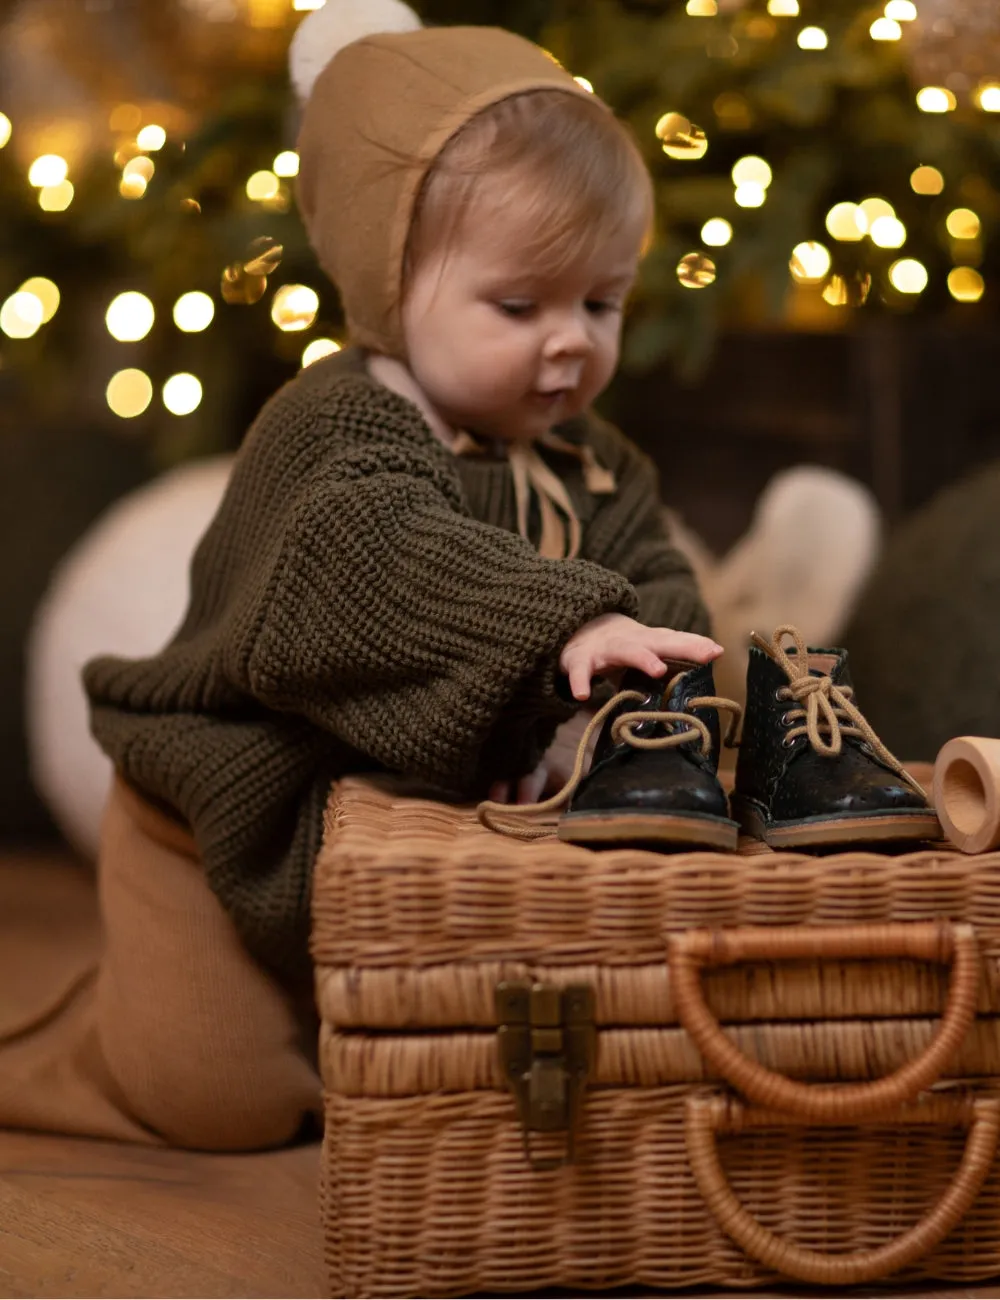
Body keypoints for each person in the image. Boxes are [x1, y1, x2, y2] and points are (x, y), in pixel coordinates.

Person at [3, 7, 717, 1151]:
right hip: (237, 816)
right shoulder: (337, 426)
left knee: (481, 1073)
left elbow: (656, 582)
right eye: (519, 305)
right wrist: (566, 623)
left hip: (417, 845)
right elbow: (365, 558)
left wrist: (644, 687)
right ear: (389, 282)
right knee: (213, 1098)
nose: (571, 342)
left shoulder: (593, 462)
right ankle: (77, 1053)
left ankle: (381, 1054)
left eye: (601, 300)